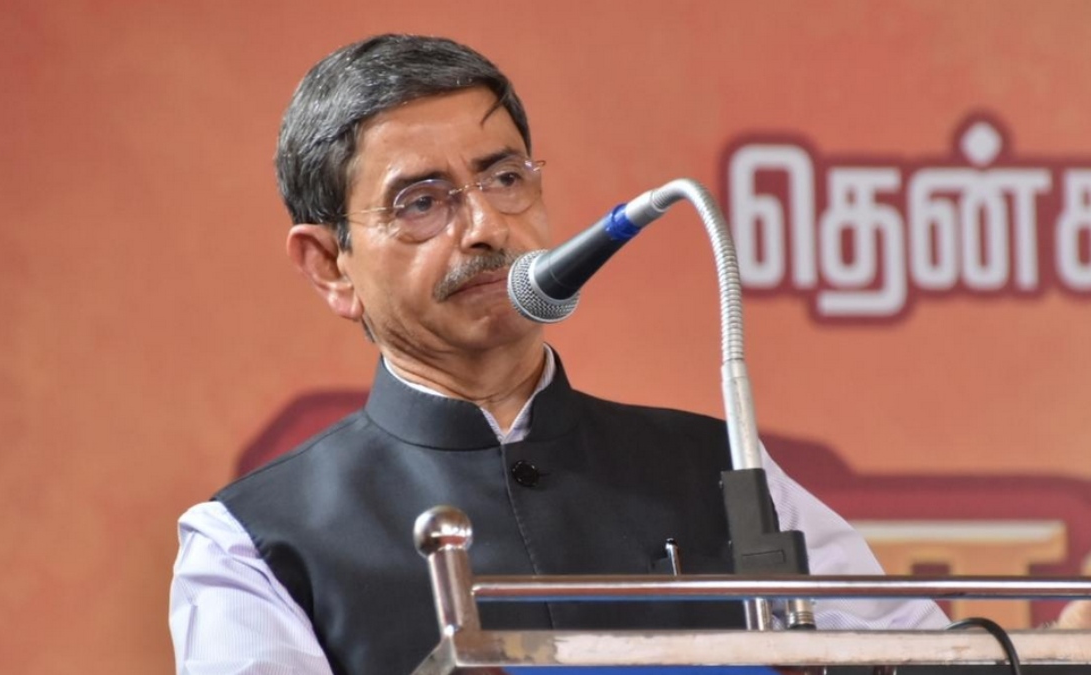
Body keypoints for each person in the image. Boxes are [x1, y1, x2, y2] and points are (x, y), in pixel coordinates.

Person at [169, 34, 951, 675]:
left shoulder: (724, 467)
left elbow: (926, 656)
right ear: (329, 266)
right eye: (422, 202)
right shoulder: (251, 545)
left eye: (505, 178)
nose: (485, 228)